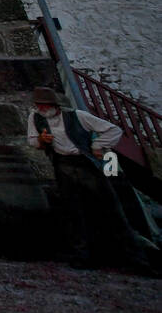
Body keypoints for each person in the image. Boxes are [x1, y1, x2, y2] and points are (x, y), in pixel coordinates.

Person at [28, 86, 160, 274]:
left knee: (112, 210)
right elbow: (33, 142)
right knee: (74, 212)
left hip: (86, 164)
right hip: (63, 166)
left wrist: (98, 145)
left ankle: (137, 260)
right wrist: (42, 140)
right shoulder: (36, 118)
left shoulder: (78, 116)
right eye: (39, 105)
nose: (41, 109)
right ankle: (82, 256)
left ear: (53, 105)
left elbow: (113, 130)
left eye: (44, 105)